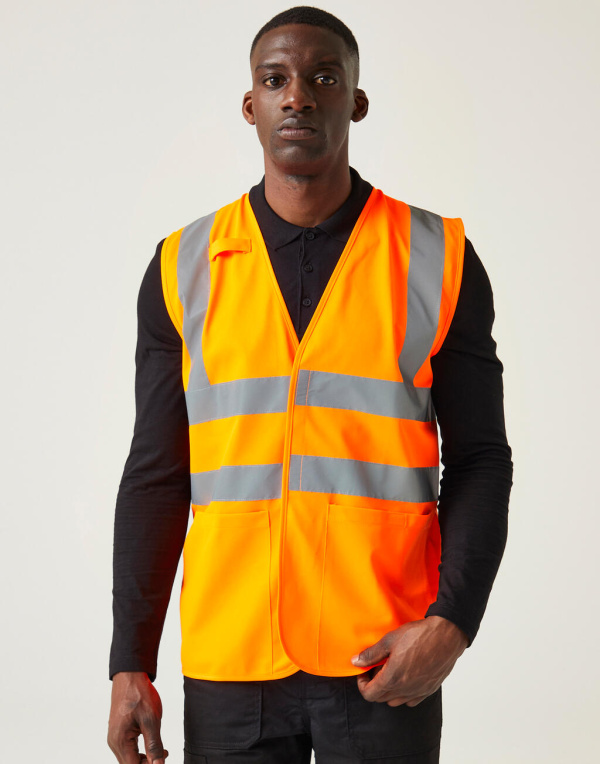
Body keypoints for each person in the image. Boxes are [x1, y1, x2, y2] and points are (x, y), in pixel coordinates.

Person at [107, 6, 513, 763]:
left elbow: (482, 459)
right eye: (276, 80)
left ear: (356, 101)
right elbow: (156, 474)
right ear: (250, 105)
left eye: (324, 78)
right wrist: (131, 659)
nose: (297, 96)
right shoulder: (182, 267)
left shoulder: (437, 257)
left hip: (383, 653)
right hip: (232, 657)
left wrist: (452, 625)